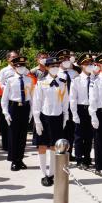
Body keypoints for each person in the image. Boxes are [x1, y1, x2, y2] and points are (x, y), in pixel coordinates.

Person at [32, 58, 69, 187]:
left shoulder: (63, 82)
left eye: (56, 65)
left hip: (57, 116)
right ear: (46, 67)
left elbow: (65, 101)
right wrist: (36, 120)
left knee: (55, 146)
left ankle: (52, 173)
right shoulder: (41, 83)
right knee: (42, 146)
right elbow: (37, 102)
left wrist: (65, 116)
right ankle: (44, 174)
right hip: (43, 117)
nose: (54, 67)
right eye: (51, 65)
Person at [0, 56, 34, 171]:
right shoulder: (10, 80)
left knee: (23, 136)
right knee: (13, 135)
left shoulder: (29, 80)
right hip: (14, 107)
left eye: (23, 66)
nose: (21, 68)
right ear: (14, 67)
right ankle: (14, 160)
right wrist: (5, 112)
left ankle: (20, 159)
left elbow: (32, 97)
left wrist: (31, 112)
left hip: (25, 108)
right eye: (19, 66)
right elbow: (4, 98)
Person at [70, 53, 96, 168]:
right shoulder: (76, 80)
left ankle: (87, 157)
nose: (89, 65)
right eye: (87, 64)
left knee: (90, 135)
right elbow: (73, 98)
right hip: (81, 109)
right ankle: (79, 158)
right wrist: (74, 113)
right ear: (81, 65)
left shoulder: (95, 79)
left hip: (93, 109)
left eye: (91, 63)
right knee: (79, 136)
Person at [0, 50, 20, 152]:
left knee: (17, 124)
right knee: (6, 123)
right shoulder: (4, 71)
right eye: (12, 57)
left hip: (18, 100)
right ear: (8, 59)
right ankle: (6, 145)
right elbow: (0, 83)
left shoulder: (21, 69)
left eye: (16, 57)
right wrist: (7, 90)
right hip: (7, 99)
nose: (14, 59)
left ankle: (16, 145)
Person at [56, 49, 78, 150]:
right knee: (61, 129)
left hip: (72, 104)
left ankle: (69, 150)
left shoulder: (74, 73)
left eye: (67, 58)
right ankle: (61, 150)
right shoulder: (55, 73)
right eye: (63, 59)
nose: (66, 60)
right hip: (60, 104)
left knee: (71, 129)